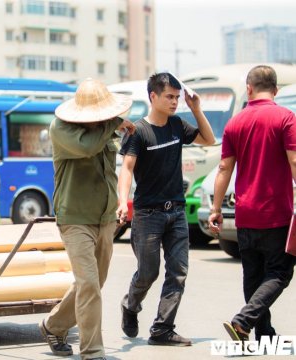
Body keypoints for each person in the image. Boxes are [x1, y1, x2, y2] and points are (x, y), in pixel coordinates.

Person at [38, 77, 135, 360]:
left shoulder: (107, 129)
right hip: (75, 218)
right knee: (90, 283)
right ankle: (93, 352)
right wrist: (114, 123)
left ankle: (53, 325)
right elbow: (87, 147)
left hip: (104, 217)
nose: (102, 120)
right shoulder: (61, 128)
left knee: (92, 282)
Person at [117, 72, 215, 346]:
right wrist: (123, 202)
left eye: (176, 97)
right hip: (148, 214)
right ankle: (131, 304)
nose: (174, 102)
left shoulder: (177, 125)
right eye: (169, 97)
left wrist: (196, 109)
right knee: (148, 272)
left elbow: (208, 140)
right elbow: (126, 168)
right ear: (153, 97)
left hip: (177, 212)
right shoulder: (138, 131)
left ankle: (162, 328)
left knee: (178, 272)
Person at [208, 65, 296, 343]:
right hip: (277, 213)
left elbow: (224, 168)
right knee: (280, 273)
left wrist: (216, 208)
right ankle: (243, 321)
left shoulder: (235, 123)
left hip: (244, 213)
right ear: (276, 90)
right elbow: (294, 161)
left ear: (248, 89)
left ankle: (263, 334)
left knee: (254, 276)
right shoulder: (286, 118)